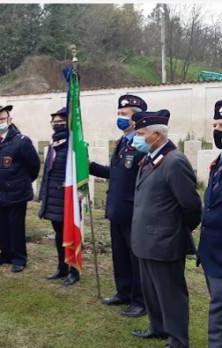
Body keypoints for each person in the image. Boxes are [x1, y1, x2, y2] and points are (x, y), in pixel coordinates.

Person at [129, 109, 201, 348]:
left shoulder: (175, 161)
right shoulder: (151, 158)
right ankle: (158, 327)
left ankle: (178, 340)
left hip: (164, 242)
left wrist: (173, 230)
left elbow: (191, 206)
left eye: (140, 133)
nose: (135, 138)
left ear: (157, 134)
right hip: (145, 241)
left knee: (170, 294)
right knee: (151, 290)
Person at [89, 94, 147, 317]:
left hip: (133, 211)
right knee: (120, 256)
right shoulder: (123, 141)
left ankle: (139, 300)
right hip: (117, 210)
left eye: (125, 114)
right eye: (119, 114)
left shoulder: (141, 144)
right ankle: (123, 292)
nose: (120, 118)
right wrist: (91, 166)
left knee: (136, 259)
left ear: (137, 117)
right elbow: (117, 174)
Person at [0, 105, 40, 273]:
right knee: (2, 226)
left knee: (16, 227)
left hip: (17, 192)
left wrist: (22, 181)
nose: (0, 122)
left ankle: (19, 258)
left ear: (10, 120)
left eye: (3, 119)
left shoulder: (21, 141)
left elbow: (34, 166)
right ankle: (5, 254)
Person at [38, 107, 79, 285]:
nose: (57, 125)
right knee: (59, 235)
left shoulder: (73, 145)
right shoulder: (55, 144)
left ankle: (74, 271)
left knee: (70, 235)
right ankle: (62, 268)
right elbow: (48, 172)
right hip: (54, 198)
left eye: (60, 122)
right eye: (54, 122)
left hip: (67, 199)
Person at [198, 99, 222, 348]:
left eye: (221, 124)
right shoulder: (218, 161)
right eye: (215, 123)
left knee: (218, 315)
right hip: (211, 252)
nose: (216, 129)